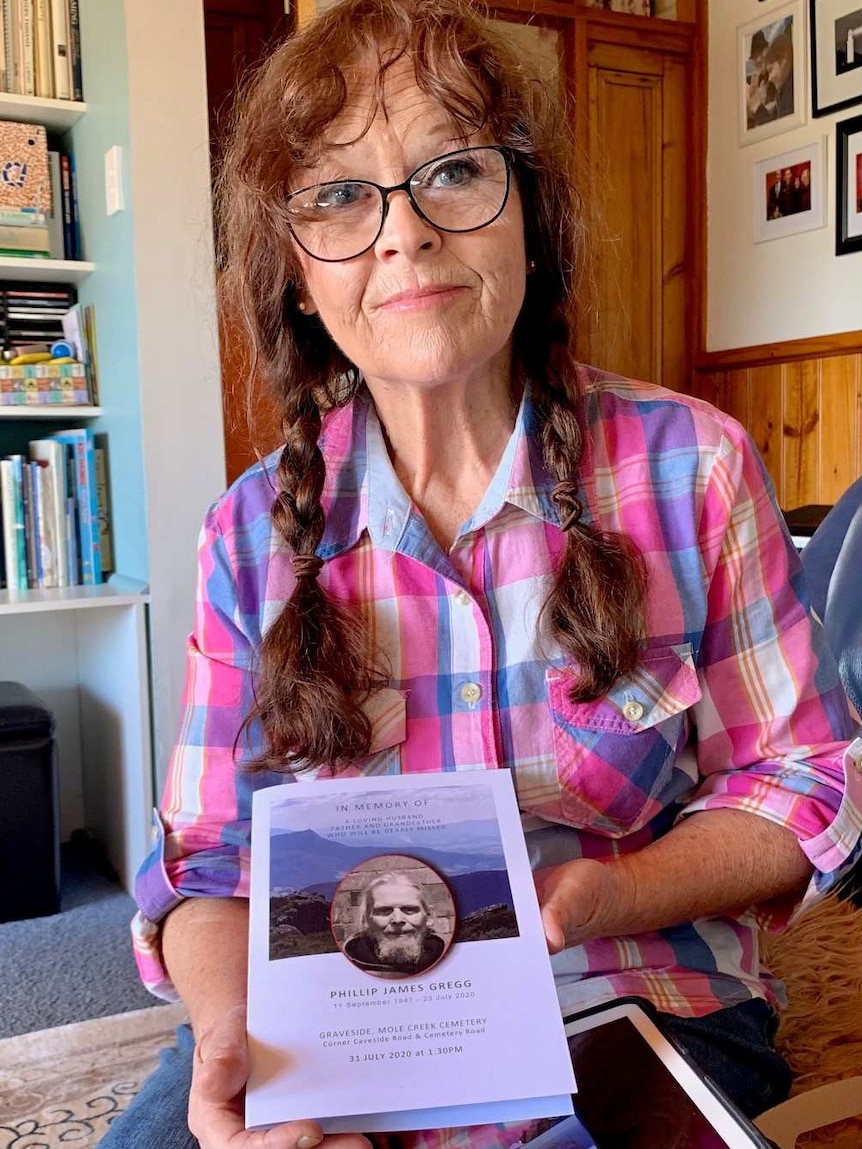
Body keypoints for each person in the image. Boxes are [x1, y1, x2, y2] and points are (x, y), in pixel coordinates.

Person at [102, 0, 862, 1146]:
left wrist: (615, 891)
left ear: (530, 217)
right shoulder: (246, 533)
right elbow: (207, 864)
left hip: (626, 988)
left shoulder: (691, 466)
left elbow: (801, 782)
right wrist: (231, 1043)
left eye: (452, 170)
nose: (402, 234)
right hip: (327, 1022)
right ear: (296, 274)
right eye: (339, 195)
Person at [342, 872, 446, 977]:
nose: (397, 920)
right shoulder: (345, 969)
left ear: (429, 916)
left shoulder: (451, 961)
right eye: (384, 911)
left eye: (409, 909)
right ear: (365, 919)